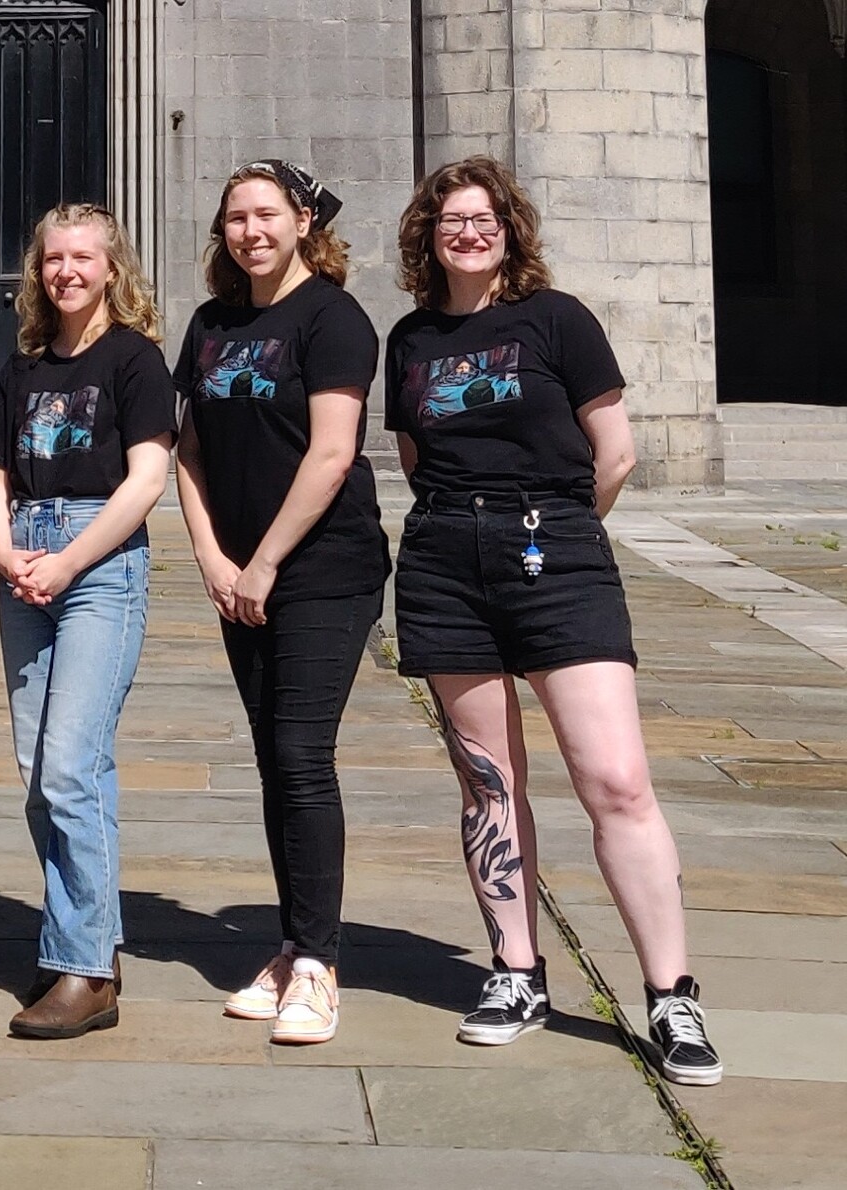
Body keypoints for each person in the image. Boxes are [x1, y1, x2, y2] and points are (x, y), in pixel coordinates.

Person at [386, 155, 722, 1084]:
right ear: (428, 235)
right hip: (446, 561)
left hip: (557, 552)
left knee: (615, 779)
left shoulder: (557, 319)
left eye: (484, 217)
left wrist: (554, 534)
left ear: (511, 229)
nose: (469, 231)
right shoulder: (410, 338)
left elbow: (611, 454)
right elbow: (417, 455)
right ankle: (517, 973)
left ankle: (671, 996)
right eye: (451, 219)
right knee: (489, 783)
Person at [172, 161, 388, 1045]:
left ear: (304, 220)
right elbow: (187, 450)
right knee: (273, 760)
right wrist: (214, 560)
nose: (251, 231)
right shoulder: (212, 324)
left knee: (302, 754)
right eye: (236, 218)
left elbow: (332, 453)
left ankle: (317, 965)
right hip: (239, 574)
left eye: (267, 215)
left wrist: (261, 564)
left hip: (323, 569)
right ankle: (293, 945)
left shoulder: (334, 319)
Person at [0, 203, 177, 1039]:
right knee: (39, 774)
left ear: (110, 269)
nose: (65, 272)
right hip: (26, 559)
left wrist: (66, 560)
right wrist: (5, 551)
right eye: (53, 258)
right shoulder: (22, 369)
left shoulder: (135, 361)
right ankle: (85, 939)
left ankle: (86, 971)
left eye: (82, 258)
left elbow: (146, 481)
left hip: (99, 565)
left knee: (71, 767)